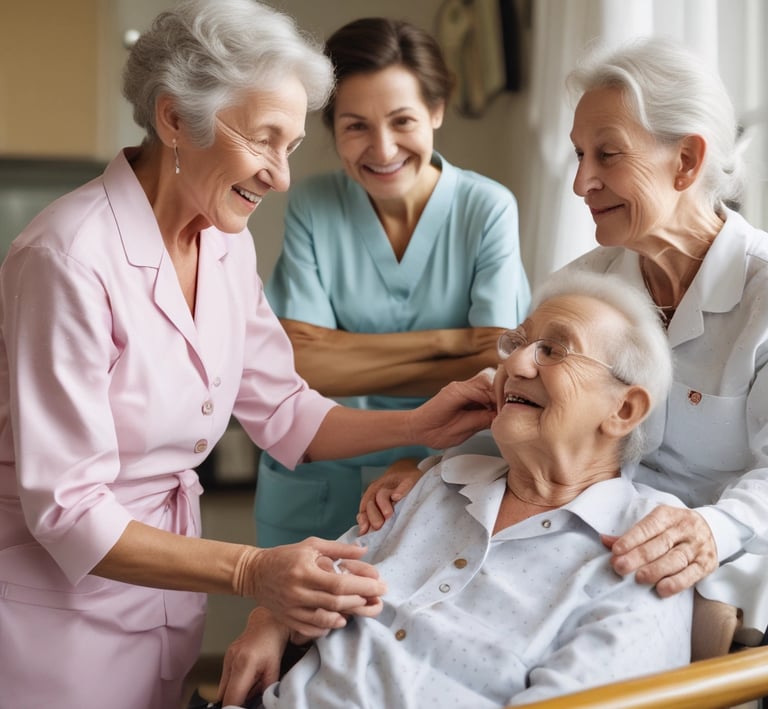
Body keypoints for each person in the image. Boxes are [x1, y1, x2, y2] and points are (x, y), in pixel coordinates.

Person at [0, 2, 498, 708]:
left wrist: (420, 423)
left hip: (161, 594)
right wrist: (250, 570)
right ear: (175, 119)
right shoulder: (67, 258)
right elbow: (68, 509)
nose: (281, 175)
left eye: (291, 146)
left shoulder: (222, 240)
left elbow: (287, 411)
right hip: (56, 614)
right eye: (265, 140)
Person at [361, 36, 768, 643]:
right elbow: (532, 406)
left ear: (685, 161)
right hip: (576, 555)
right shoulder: (583, 287)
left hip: (711, 576)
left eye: (607, 155)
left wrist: (713, 530)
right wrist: (424, 471)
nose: (581, 184)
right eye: (578, 155)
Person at [217, 270, 692, 709]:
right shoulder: (442, 481)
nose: (516, 365)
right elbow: (316, 583)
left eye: (554, 350)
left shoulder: (649, 546)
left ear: (624, 410)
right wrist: (270, 618)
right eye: (520, 342)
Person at [254, 17, 530, 547]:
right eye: (356, 125)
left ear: (436, 111)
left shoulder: (486, 209)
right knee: (287, 624)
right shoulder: (313, 205)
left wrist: (346, 355)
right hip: (318, 473)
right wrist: (449, 342)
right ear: (332, 127)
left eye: (402, 121)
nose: (382, 150)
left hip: (441, 468)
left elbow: (492, 366)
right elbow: (301, 367)